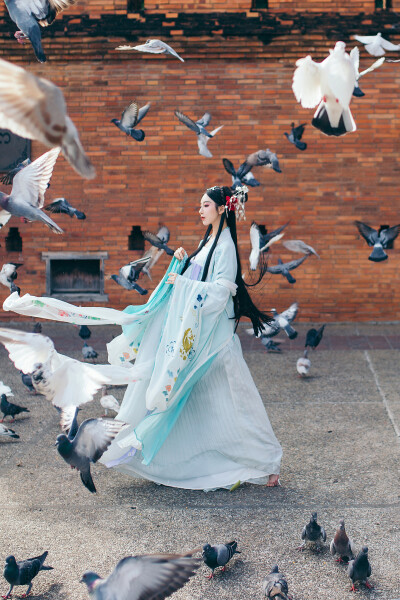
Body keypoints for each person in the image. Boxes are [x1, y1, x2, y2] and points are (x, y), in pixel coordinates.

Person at [3, 185, 282, 490]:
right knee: (199, 405)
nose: (199, 210)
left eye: (204, 205)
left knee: (233, 403)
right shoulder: (210, 240)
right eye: (200, 205)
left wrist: (186, 285)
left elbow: (221, 291)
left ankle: (265, 462)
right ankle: (178, 460)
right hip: (200, 339)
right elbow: (198, 278)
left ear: (220, 208)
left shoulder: (225, 245)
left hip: (213, 344)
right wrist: (181, 262)